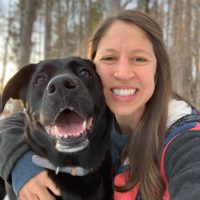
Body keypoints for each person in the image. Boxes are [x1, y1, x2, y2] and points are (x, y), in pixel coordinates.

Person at [0, 9, 200, 200]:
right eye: (109, 58)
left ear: (158, 70)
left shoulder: (185, 140)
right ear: (97, 69)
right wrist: (20, 163)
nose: (122, 73)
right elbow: (16, 122)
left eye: (139, 59)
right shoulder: (104, 116)